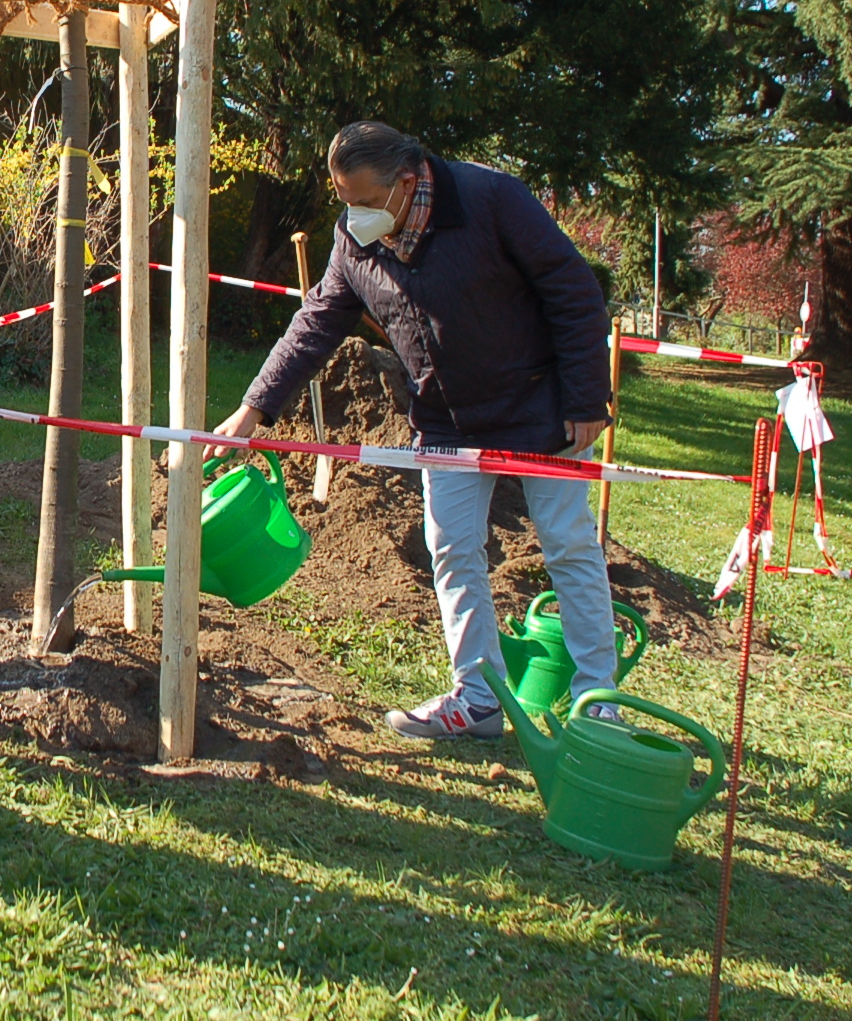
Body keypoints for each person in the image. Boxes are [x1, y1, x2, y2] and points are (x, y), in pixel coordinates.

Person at [206, 120, 615, 739]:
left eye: (365, 201)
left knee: (568, 545)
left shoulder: (492, 200)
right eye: (345, 201)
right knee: (452, 551)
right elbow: (317, 321)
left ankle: (598, 705)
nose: (354, 215)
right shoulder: (355, 240)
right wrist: (254, 407)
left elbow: (575, 293)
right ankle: (477, 699)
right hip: (445, 419)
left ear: (407, 180)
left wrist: (585, 398)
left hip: (538, 408)